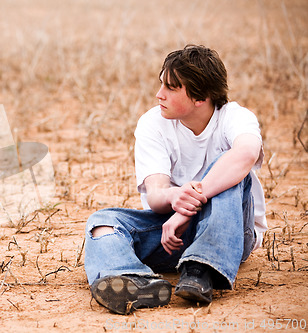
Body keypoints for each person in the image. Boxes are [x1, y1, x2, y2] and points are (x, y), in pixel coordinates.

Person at [84, 44, 268, 315]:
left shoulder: (235, 117)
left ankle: (202, 268)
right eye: (161, 85)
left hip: (231, 234)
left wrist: (187, 207)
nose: (159, 95)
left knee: (229, 167)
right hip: (174, 234)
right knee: (102, 222)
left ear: (200, 97)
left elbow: (246, 154)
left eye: (171, 88)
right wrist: (174, 197)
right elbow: (157, 195)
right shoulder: (152, 123)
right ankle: (133, 279)